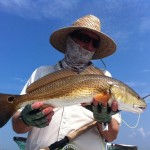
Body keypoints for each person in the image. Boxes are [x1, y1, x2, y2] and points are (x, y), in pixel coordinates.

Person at [12, 14, 121, 150]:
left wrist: (105, 119)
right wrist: (24, 119)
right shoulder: (41, 72)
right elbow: (17, 127)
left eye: (95, 43)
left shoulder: (105, 78)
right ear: (69, 39)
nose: (89, 46)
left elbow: (111, 136)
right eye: (84, 38)